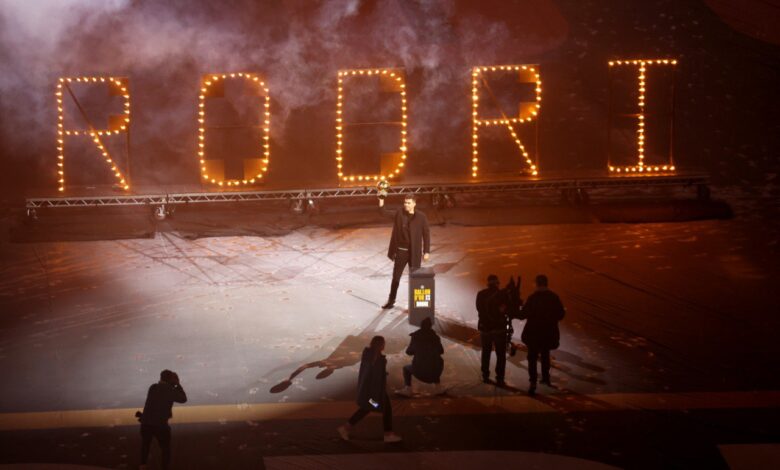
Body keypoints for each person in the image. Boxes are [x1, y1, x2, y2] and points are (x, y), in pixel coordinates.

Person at [338, 336, 402, 443]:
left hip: (368, 391)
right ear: (381, 345)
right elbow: (376, 379)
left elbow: (370, 374)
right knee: (372, 407)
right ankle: (387, 434)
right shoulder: (379, 360)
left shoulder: (368, 355)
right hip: (375, 393)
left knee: (371, 408)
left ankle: (346, 428)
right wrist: (375, 397)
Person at [378, 193, 431, 309]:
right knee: (396, 277)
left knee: (415, 277)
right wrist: (381, 199)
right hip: (401, 251)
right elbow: (384, 212)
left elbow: (426, 234)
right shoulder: (399, 213)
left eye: (408, 203)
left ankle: (417, 304)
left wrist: (426, 251)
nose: (406, 205)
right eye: (405, 202)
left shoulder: (421, 217)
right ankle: (391, 301)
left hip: (415, 252)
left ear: (414, 204)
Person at [519, 274, 566, 396]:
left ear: (537, 284)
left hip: (533, 333)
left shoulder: (532, 298)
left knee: (532, 358)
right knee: (545, 355)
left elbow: (523, 314)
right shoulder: (554, 297)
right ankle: (546, 378)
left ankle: (533, 382)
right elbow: (561, 315)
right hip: (548, 333)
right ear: (546, 283)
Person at [137, 369, 187, 470]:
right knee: (165, 449)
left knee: (145, 445)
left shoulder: (153, 387)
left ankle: (143, 465)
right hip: (160, 425)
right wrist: (178, 384)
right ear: (171, 379)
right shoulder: (170, 390)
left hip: (146, 423)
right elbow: (183, 399)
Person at [396, 317, 444, 396]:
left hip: (421, 372)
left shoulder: (416, 337)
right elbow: (441, 351)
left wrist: (419, 350)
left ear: (421, 326)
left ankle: (408, 389)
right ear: (430, 326)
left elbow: (408, 352)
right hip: (435, 374)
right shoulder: (435, 338)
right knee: (436, 361)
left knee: (406, 368)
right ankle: (438, 387)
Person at [476, 274, 509, 385]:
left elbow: (479, 309)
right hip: (499, 329)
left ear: (488, 283)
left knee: (486, 352)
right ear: (497, 283)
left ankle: (485, 375)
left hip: (485, 329)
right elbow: (507, 311)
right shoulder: (503, 295)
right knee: (501, 354)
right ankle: (500, 377)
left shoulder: (481, 294)